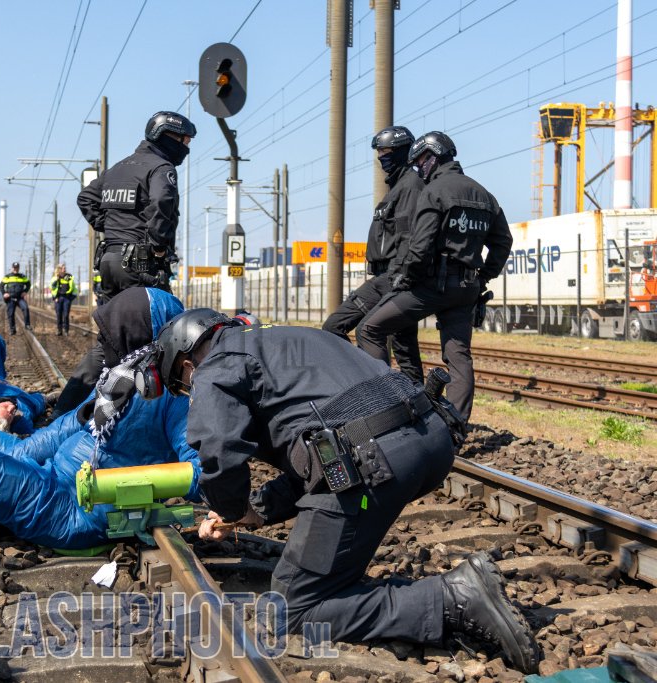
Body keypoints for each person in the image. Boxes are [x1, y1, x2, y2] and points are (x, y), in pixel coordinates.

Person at [142, 309, 538, 673]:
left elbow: (220, 451)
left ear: (188, 364)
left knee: (291, 608)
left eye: (182, 384)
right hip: (430, 442)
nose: (190, 390)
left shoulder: (215, 367)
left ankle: (454, 597)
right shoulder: (290, 336)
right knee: (337, 506)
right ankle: (387, 594)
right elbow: (322, 447)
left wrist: (227, 508)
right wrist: (256, 509)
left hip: (374, 461)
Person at [0, 288, 195, 548]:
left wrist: (225, 504)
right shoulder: (119, 379)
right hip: (54, 472)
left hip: (73, 507)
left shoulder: (174, 396)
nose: (103, 342)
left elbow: (202, 466)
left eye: (111, 334)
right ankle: (1, 506)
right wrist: (23, 453)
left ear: (136, 334)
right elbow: (66, 425)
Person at [357, 132, 512, 421]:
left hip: (431, 286)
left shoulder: (435, 191)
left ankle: (382, 410)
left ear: (433, 156)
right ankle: (455, 425)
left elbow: (420, 246)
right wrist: (483, 278)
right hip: (466, 287)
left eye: (419, 162)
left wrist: (408, 277)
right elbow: (503, 242)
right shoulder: (484, 195)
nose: (418, 168)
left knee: (370, 329)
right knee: (458, 356)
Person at [322, 126, 424, 385]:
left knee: (396, 342)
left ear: (403, 152)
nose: (382, 157)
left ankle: (391, 394)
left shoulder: (411, 186)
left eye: (387, 151)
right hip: (384, 276)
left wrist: (402, 277)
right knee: (338, 327)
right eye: (379, 152)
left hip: (394, 276)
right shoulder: (397, 187)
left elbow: (408, 236)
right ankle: (374, 386)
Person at [77, 111, 195, 302]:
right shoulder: (161, 168)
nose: (186, 148)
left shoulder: (117, 168)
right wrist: (158, 248)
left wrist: (106, 225)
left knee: (112, 325)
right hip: (141, 265)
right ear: (169, 137)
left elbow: (85, 198)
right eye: (184, 142)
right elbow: (161, 201)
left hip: (109, 261)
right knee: (153, 324)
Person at [0, 262, 31, 334]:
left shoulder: (22, 276)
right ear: (12, 268)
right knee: (11, 313)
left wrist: (25, 291)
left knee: (25, 308)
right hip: (11, 298)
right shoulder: (7, 277)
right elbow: (1, 285)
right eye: (14, 267)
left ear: (18, 268)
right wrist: (4, 293)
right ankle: (12, 330)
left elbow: (28, 284)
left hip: (20, 298)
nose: (16, 269)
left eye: (17, 268)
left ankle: (27, 325)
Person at [50, 263, 77, 335]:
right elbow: (52, 288)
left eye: (65, 268)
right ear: (59, 269)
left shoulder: (69, 277)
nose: (64, 269)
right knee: (59, 314)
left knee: (66, 315)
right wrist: (54, 298)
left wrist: (71, 298)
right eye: (63, 268)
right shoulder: (55, 278)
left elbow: (74, 288)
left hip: (67, 298)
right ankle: (59, 330)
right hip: (58, 298)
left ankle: (66, 330)